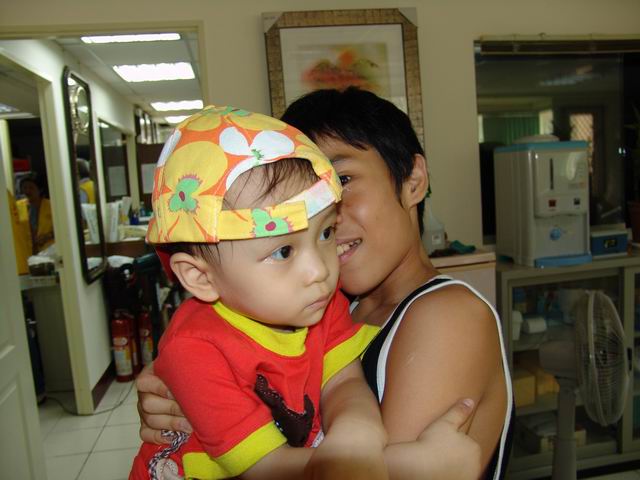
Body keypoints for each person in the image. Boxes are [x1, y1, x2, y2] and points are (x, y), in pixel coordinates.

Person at [137, 89, 513, 478]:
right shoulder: (324, 303)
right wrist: (183, 395)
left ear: (413, 180)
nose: (321, 209)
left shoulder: (447, 317)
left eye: (340, 180)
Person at [18, 174, 54, 254]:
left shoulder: (51, 206)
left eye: (31, 188)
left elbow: (63, 227)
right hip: (27, 251)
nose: (27, 191)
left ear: (40, 189)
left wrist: (48, 236)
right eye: (25, 187)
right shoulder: (19, 207)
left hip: (49, 250)